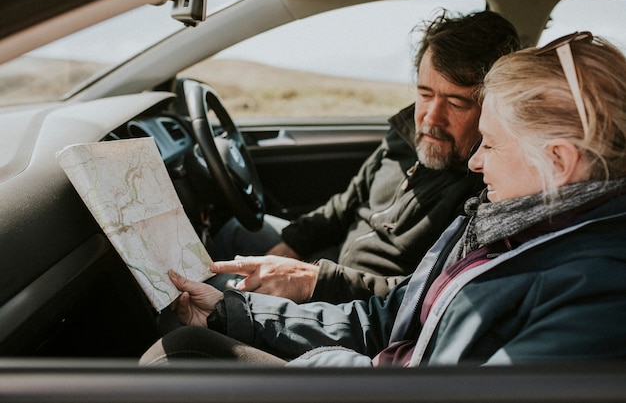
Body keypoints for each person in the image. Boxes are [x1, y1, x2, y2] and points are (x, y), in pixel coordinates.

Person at [141, 31, 626, 366]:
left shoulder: (596, 292)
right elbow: (393, 316)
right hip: (364, 363)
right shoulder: (500, 223)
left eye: (492, 144)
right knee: (193, 336)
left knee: (179, 354)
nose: (477, 164)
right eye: (423, 93)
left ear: (559, 162)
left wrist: (324, 362)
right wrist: (235, 313)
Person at [206, 10, 521, 304]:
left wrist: (312, 280)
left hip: (359, 305)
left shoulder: (487, 190)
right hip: (332, 262)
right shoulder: (404, 135)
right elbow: (347, 203)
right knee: (236, 231)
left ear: (492, 108)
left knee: (216, 299)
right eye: (425, 94)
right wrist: (291, 247)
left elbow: (426, 296)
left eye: (456, 102)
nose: (430, 118)